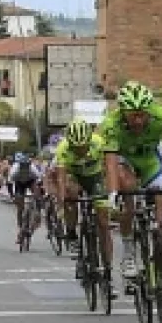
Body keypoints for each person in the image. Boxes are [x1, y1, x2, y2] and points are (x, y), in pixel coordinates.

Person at [98, 80, 162, 289]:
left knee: (161, 222)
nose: (138, 120)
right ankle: (128, 252)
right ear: (122, 112)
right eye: (132, 115)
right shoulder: (111, 123)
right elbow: (111, 163)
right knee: (127, 193)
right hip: (125, 162)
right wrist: (113, 193)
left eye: (142, 114)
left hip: (151, 162)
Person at [51, 118, 114, 285]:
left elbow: (109, 169)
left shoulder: (99, 143)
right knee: (70, 192)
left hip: (95, 177)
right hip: (75, 176)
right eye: (76, 147)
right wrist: (63, 203)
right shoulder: (63, 148)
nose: (79, 150)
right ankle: (72, 233)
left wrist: (111, 195)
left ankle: (108, 270)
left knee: (103, 224)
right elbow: (61, 179)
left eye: (83, 146)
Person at [9, 153, 43, 244]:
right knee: (20, 207)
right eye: (23, 166)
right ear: (19, 165)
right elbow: (9, 184)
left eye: (26, 166)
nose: (25, 168)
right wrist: (12, 196)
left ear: (29, 165)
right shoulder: (14, 170)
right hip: (19, 183)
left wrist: (39, 197)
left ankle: (36, 211)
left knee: (37, 194)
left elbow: (39, 182)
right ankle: (20, 229)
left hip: (31, 181)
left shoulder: (33, 169)